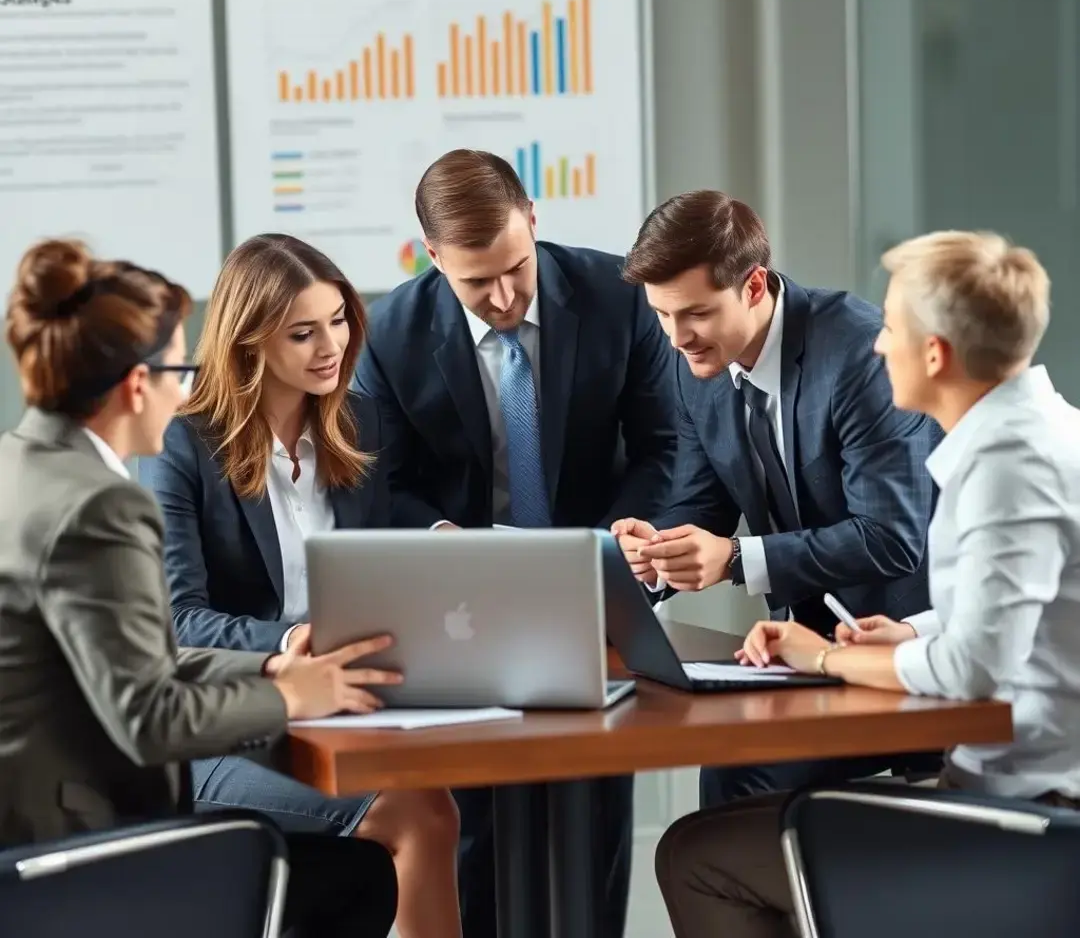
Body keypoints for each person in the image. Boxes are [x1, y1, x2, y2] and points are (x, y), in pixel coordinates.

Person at [654, 230, 1080, 938]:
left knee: (696, 856)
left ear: (935, 354)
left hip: (1029, 812)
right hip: (1019, 786)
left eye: (890, 329)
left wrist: (821, 656)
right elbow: (1037, 598)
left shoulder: (1009, 467)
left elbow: (973, 670)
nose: (877, 345)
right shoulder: (1046, 430)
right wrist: (916, 629)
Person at [0, 238, 401, 937]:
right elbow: (149, 715)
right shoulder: (101, 503)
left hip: (30, 817)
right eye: (178, 371)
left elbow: (130, 656)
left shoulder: (19, 463)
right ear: (135, 385)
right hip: (67, 836)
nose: (189, 390)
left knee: (357, 875)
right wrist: (284, 695)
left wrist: (274, 665)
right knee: (362, 865)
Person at [355, 148, 679, 938]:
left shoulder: (617, 298)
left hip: (595, 593)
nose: (502, 297)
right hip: (464, 607)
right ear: (432, 258)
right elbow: (379, 485)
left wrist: (621, 539)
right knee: (479, 836)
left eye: (515, 268)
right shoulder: (389, 335)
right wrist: (443, 541)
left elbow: (666, 446)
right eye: (475, 282)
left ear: (533, 220)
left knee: (593, 830)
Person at [138, 234, 461, 938]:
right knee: (420, 810)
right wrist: (288, 643)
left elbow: (375, 571)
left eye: (340, 321)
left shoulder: (358, 423)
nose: (332, 347)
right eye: (304, 332)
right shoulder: (184, 442)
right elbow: (178, 618)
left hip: (349, 706)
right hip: (226, 724)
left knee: (443, 795)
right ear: (251, 340)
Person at [614, 190, 940, 806]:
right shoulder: (696, 366)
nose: (678, 336)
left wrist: (735, 559)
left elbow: (893, 537)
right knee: (730, 776)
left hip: (910, 647)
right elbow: (698, 504)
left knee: (737, 782)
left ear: (755, 286)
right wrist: (655, 553)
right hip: (809, 653)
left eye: (696, 314)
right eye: (662, 314)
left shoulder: (859, 356)